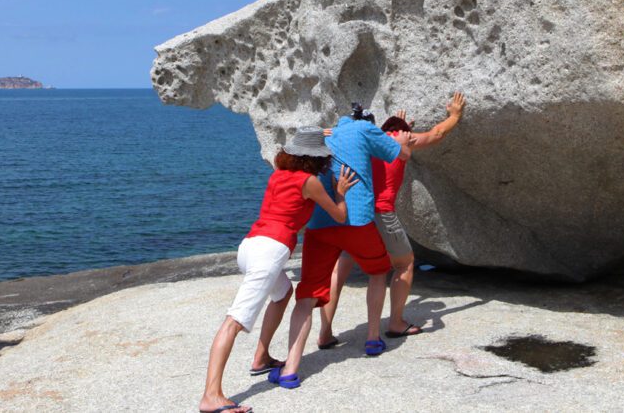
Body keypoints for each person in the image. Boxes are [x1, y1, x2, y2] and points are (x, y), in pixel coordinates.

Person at [199, 127, 357, 413]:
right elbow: (340, 216)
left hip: (249, 246)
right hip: (269, 252)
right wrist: (341, 192)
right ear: (316, 160)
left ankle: (261, 358)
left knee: (283, 293)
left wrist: (319, 132)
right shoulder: (310, 182)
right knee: (234, 321)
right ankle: (211, 395)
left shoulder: (277, 174)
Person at [267, 104, 414, 389]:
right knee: (377, 270)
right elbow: (402, 154)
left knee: (307, 296)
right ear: (367, 121)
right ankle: (373, 338)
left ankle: (292, 367)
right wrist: (402, 138)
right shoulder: (365, 129)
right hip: (357, 221)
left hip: (319, 226)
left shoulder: (323, 135)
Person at [318, 93, 466, 348]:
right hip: (382, 214)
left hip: (355, 214)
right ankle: (396, 322)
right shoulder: (399, 142)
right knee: (404, 264)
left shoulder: (361, 141)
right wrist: (454, 115)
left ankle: (325, 331)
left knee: (340, 267)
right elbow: (437, 134)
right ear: (402, 131)